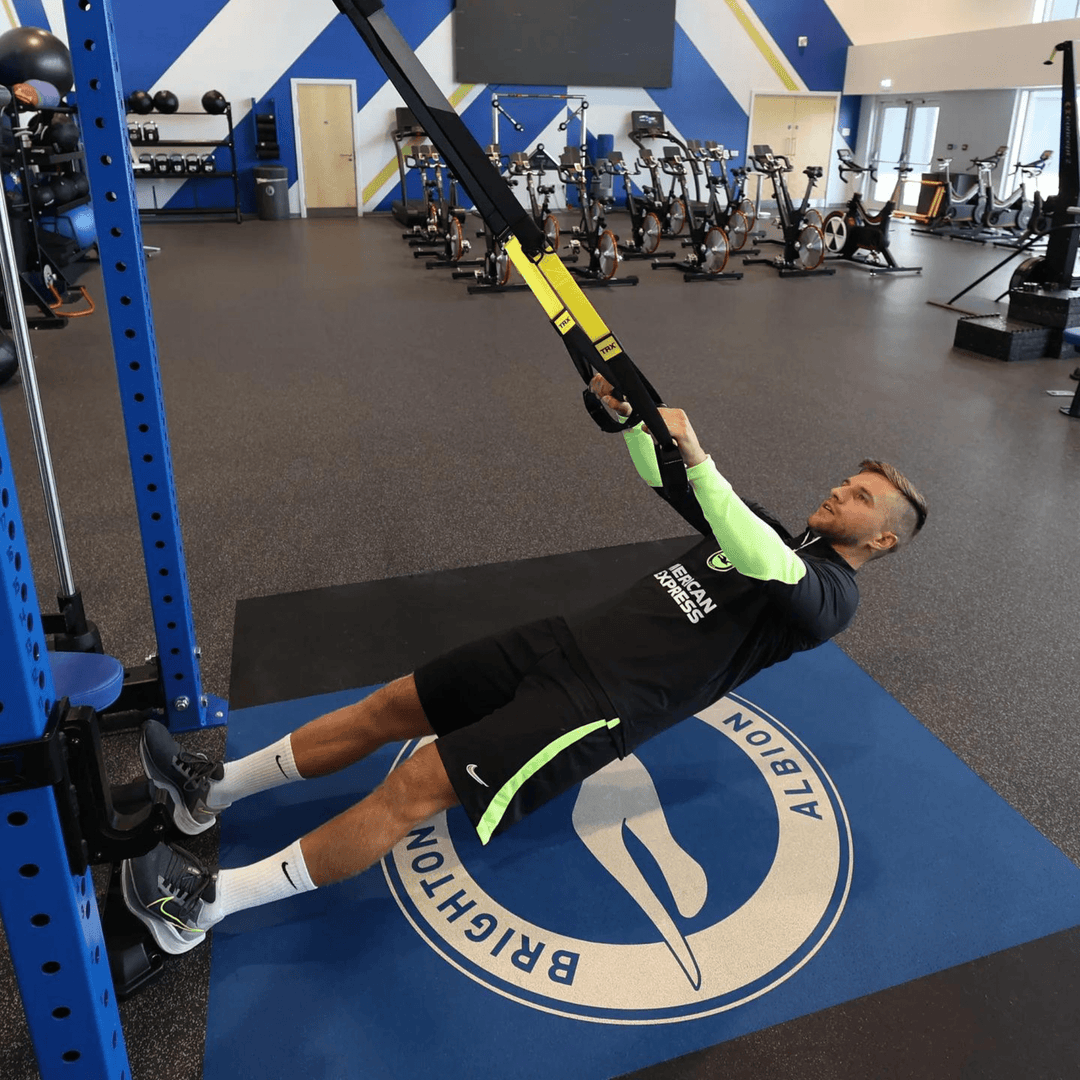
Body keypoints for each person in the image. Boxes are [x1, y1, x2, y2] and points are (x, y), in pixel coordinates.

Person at [121, 374, 928, 955]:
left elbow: (756, 553)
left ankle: (206, 907)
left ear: (881, 538)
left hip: (597, 703)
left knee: (412, 789)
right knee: (388, 708)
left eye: (858, 495)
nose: (839, 490)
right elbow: (672, 481)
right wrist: (627, 417)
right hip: (558, 640)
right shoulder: (767, 529)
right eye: (846, 480)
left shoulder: (828, 596)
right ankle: (210, 794)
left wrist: (701, 451)